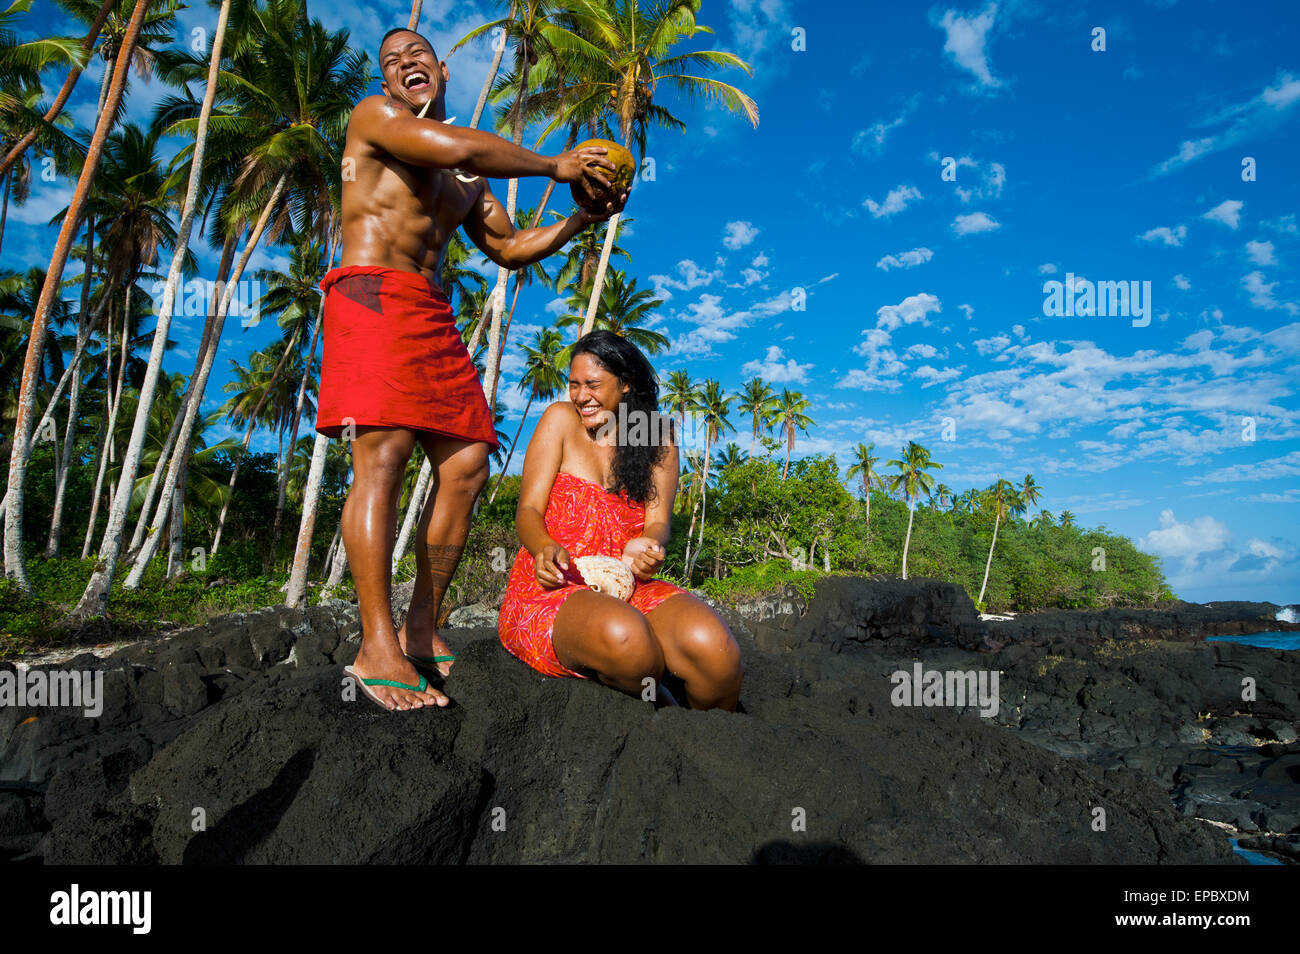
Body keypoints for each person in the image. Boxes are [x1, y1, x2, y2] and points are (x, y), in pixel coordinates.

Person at [323, 27, 628, 711]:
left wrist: (580, 216)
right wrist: (556, 166)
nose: (406, 66)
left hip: (427, 308)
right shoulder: (377, 119)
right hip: (371, 290)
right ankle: (376, 645)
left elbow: (511, 247)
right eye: (393, 62)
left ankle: (421, 625)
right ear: (389, 81)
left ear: (441, 70)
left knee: (466, 466)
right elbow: (454, 144)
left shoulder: (470, 175)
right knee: (385, 458)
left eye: (418, 57)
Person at [498, 331, 744, 711]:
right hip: (554, 587)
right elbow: (528, 511)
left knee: (716, 651)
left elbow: (658, 522)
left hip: (631, 585)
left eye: (593, 384)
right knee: (629, 642)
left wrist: (648, 542)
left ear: (626, 385)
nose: (580, 396)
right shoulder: (560, 420)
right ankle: (664, 706)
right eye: (574, 385)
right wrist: (544, 548)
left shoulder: (658, 438)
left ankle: (711, 747)